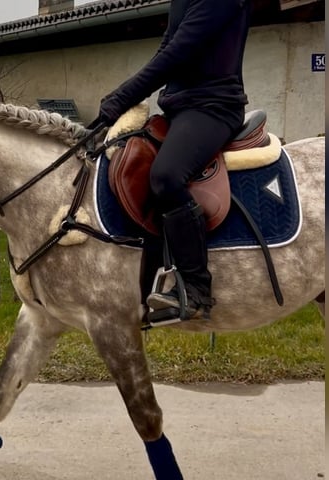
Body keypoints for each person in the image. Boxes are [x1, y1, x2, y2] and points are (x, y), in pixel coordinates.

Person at [96, 0, 252, 321]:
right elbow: (165, 47)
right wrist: (121, 100)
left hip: (214, 107)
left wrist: (122, 97)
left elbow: (178, 53)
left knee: (166, 176)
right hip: (179, 109)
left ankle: (196, 289)